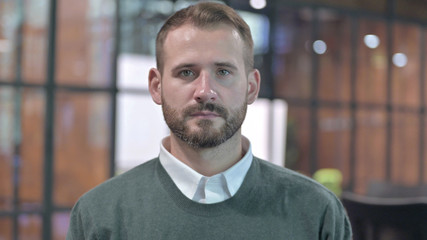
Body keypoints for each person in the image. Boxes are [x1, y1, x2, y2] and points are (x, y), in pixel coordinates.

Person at [67, 2, 352, 239]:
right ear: (156, 86)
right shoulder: (99, 215)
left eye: (224, 72)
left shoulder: (317, 213)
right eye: (187, 73)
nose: (205, 92)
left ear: (252, 87)